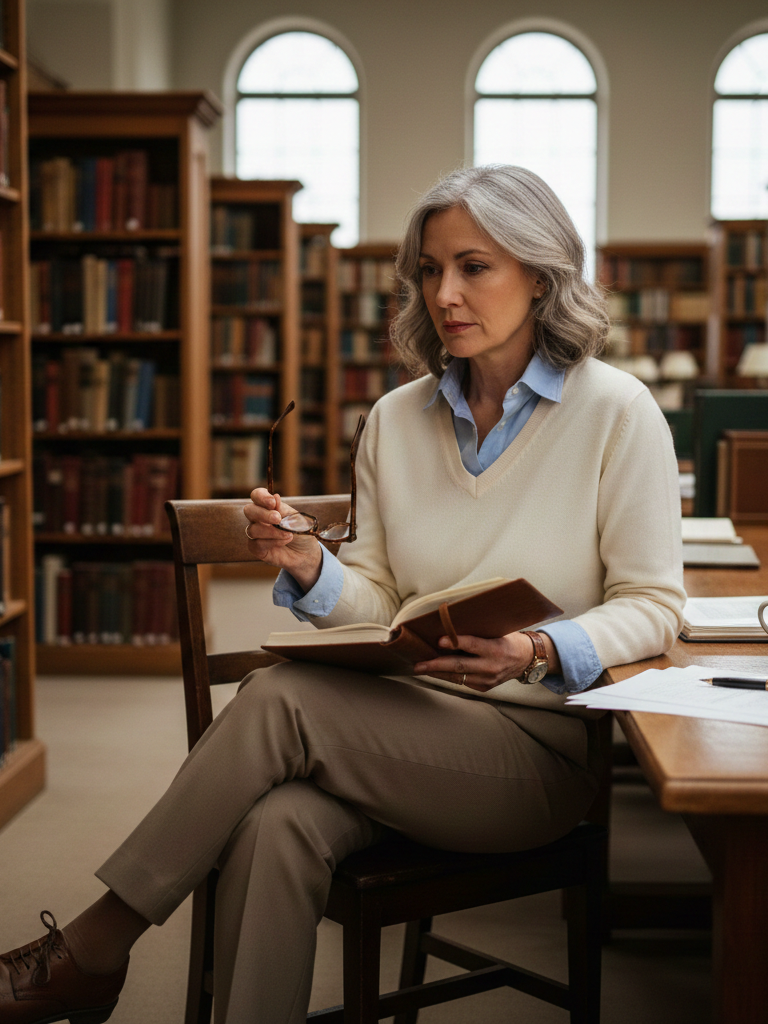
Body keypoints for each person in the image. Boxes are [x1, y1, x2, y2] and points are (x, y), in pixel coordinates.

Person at [0, 165, 686, 1024]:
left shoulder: (619, 414)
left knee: (281, 697)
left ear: (541, 274)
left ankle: (93, 948)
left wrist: (539, 649)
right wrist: (308, 567)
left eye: (474, 267)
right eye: (429, 271)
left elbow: (656, 603)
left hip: (534, 756)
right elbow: (384, 600)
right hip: (393, 721)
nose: (445, 293)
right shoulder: (395, 422)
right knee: (278, 825)